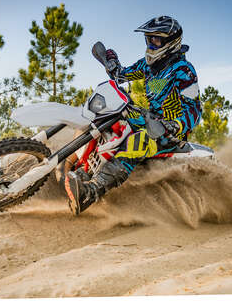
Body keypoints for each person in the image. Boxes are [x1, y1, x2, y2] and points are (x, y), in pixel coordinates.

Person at [65, 16, 202, 215]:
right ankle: (80, 167)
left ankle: (92, 190)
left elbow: (194, 109)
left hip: (168, 133)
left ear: (171, 42)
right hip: (148, 119)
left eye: (156, 40)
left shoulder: (184, 71)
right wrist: (111, 62)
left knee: (138, 141)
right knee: (109, 121)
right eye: (149, 39)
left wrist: (176, 125)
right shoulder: (148, 65)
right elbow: (121, 75)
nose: (151, 44)